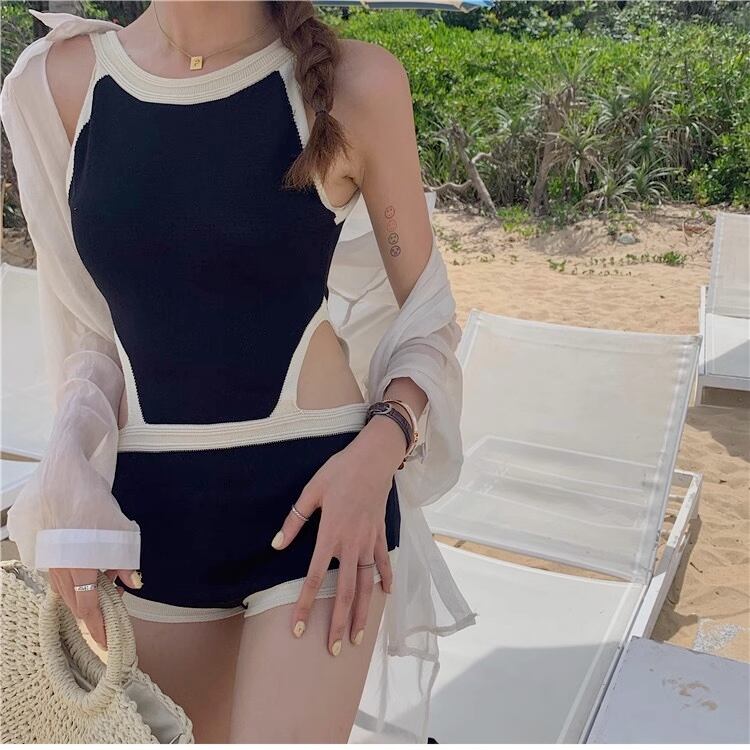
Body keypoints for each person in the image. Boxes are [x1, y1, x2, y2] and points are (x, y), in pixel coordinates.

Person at [0, 1, 476, 743]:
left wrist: (378, 455)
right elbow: (87, 334)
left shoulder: (355, 83)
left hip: (322, 506)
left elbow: (429, 319)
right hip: (149, 518)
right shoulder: (58, 84)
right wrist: (68, 487)